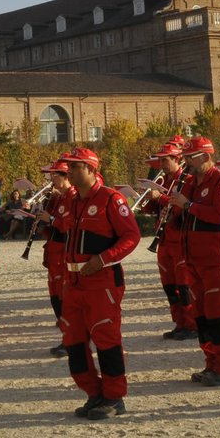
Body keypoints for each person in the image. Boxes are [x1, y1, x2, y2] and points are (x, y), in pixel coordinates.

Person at [57, 146, 140, 420]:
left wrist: (103, 259)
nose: (68, 170)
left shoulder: (110, 199)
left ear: (91, 169)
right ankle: (94, 393)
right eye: (69, 166)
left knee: (106, 339)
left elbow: (131, 237)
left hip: (102, 281)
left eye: (75, 166)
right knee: (73, 340)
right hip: (75, 283)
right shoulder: (72, 201)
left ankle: (114, 398)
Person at [169, 136, 220, 387]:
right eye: (185, 158)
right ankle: (211, 363)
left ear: (206, 157)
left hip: (218, 258)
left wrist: (188, 204)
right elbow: (180, 215)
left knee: (218, 315)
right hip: (194, 259)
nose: (186, 162)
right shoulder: (190, 182)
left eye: (191, 158)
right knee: (201, 316)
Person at [143, 143, 197, 340]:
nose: (162, 164)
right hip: (164, 238)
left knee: (183, 285)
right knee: (169, 285)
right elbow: (153, 210)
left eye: (166, 160)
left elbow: (182, 206)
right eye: (161, 160)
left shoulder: (188, 180)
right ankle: (179, 323)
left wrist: (162, 198)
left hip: (179, 239)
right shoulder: (163, 180)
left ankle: (191, 324)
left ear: (177, 160)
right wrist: (148, 201)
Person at [29, 158, 74, 357]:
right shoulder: (57, 198)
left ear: (65, 176)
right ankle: (66, 338)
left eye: (54, 175)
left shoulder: (73, 197)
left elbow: (69, 225)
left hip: (65, 253)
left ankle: (71, 341)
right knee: (56, 299)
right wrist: (42, 225)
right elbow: (54, 227)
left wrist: (52, 219)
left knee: (66, 299)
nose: (51, 179)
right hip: (54, 252)